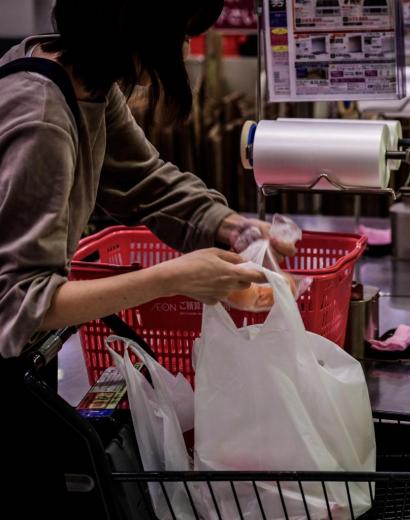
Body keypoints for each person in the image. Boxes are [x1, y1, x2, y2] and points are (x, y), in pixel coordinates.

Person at [0, 0, 290, 511]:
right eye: (180, 33)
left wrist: (233, 226)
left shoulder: (85, 85)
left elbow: (145, 181)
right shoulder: (42, 116)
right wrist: (171, 277)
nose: (185, 49)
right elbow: (21, 302)